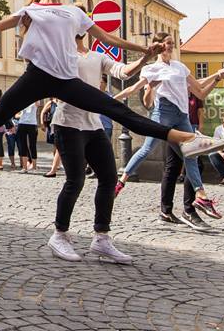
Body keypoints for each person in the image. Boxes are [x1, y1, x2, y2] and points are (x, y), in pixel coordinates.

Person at [0, 0, 224, 180]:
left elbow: (106, 38)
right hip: (36, 75)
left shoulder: (74, 12)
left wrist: (143, 50)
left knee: (118, 110)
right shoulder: (31, 10)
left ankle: (188, 138)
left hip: (66, 79)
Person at [46, 21, 152, 264]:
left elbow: (123, 71)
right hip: (68, 123)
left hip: (93, 124)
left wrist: (145, 58)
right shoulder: (61, 55)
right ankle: (59, 234)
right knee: (76, 180)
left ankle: (101, 238)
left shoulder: (97, 56)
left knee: (109, 178)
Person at [114, 32, 224, 219]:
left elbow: (198, 90)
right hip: (163, 113)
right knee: (147, 148)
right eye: (167, 43)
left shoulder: (180, 67)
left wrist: (215, 77)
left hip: (182, 116)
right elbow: (133, 89)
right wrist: (111, 100)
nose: (170, 47)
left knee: (190, 155)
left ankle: (201, 196)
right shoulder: (152, 69)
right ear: (158, 45)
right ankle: (121, 181)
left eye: (172, 44)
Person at [16, 102, 39, 173]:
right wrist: (20, 115)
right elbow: (16, 114)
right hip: (22, 123)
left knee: (32, 145)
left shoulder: (35, 100)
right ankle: (24, 167)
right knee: (23, 145)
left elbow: (37, 104)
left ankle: (34, 167)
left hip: (32, 124)